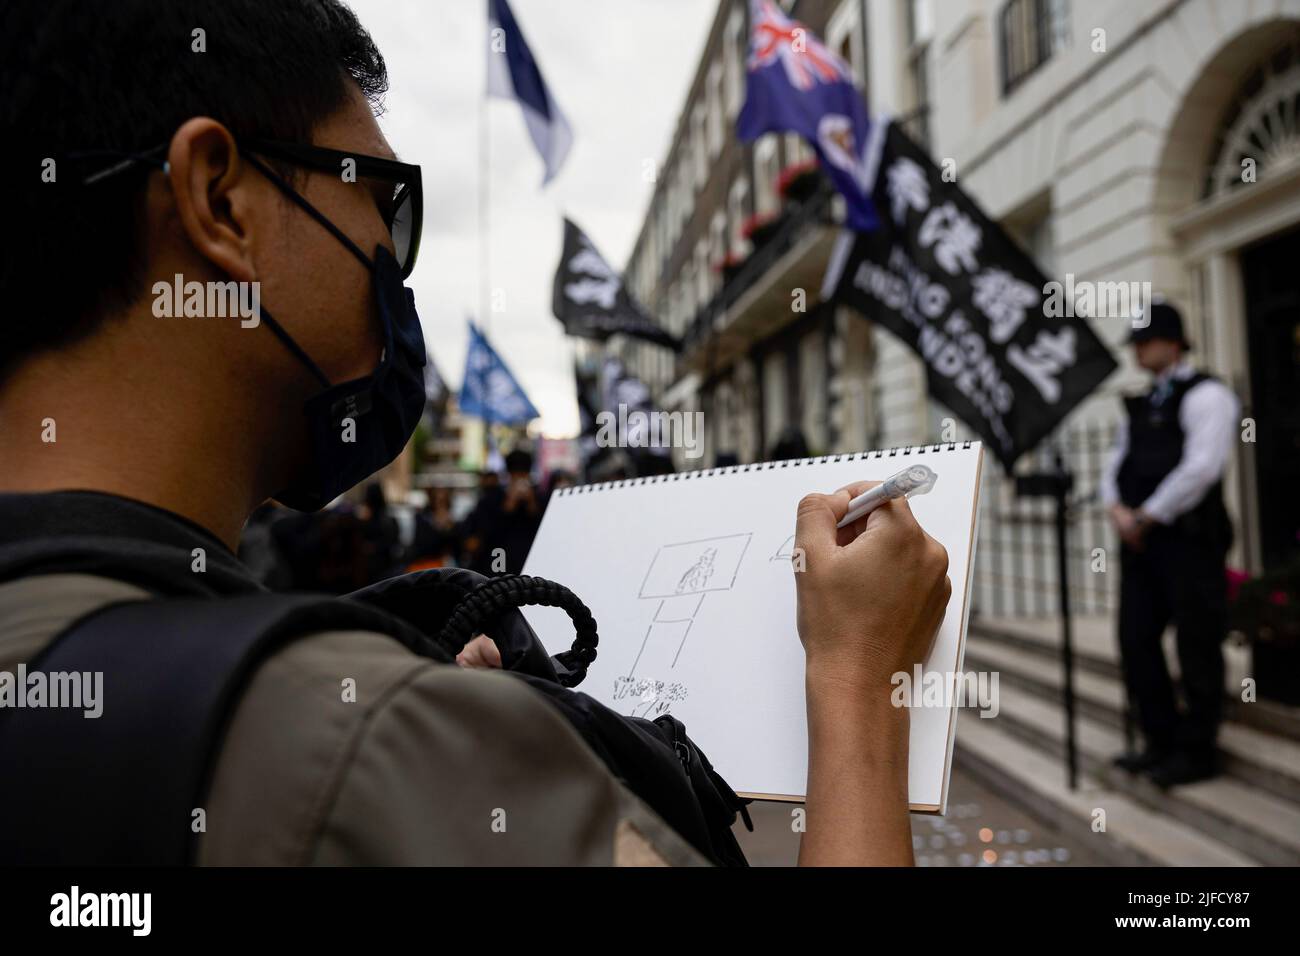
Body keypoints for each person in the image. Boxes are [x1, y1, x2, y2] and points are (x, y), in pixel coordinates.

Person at [0, 0, 949, 865]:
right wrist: (858, 677)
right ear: (219, 201)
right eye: (385, 204)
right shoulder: (373, 749)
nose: (391, 267)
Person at [1101, 301, 1240, 787]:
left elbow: (1202, 468)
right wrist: (1118, 509)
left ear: (1174, 341)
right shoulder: (1140, 403)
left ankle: (1198, 750)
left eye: (1146, 340)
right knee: (1136, 639)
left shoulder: (1208, 396)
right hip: (1141, 546)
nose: (1139, 350)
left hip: (1189, 541)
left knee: (1197, 642)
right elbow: (1114, 463)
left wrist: (1148, 515)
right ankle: (1159, 741)